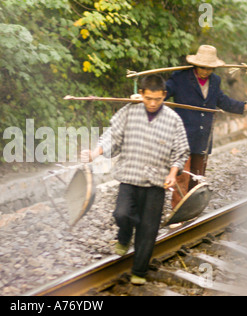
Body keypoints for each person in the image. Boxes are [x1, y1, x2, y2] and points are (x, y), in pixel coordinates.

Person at [81, 75, 189, 285]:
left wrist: (172, 173)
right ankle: (124, 236)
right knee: (122, 214)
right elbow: (112, 136)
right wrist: (95, 153)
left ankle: (139, 271)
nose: (152, 103)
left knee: (148, 229)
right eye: (148, 98)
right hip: (130, 177)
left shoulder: (173, 120)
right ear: (141, 94)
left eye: (157, 99)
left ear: (164, 96)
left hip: (156, 182)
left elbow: (181, 151)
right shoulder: (129, 112)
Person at [165, 45, 247, 207]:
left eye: (210, 68)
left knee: (197, 176)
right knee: (182, 176)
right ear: (195, 65)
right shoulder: (180, 78)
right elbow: (162, 93)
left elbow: (223, 101)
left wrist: (245, 106)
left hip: (203, 136)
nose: (206, 71)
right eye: (203, 67)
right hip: (182, 137)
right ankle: (178, 211)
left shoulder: (215, 81)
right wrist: (144, 96)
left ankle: (192, 209)